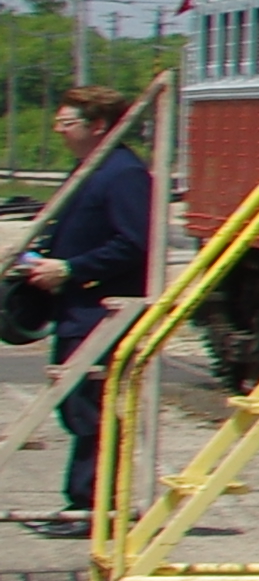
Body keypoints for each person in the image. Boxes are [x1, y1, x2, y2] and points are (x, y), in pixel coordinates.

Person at [15, 98, 154, 535]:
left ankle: (92, 507)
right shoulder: (91, 169)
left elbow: (133, 242)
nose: (58, 130)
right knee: (78, 408)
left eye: (66, 122)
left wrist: (72, 269)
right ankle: (85, 502)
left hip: (102, 311)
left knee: (91, 410)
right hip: (77, 308)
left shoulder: (123, 173)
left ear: (98, 124)